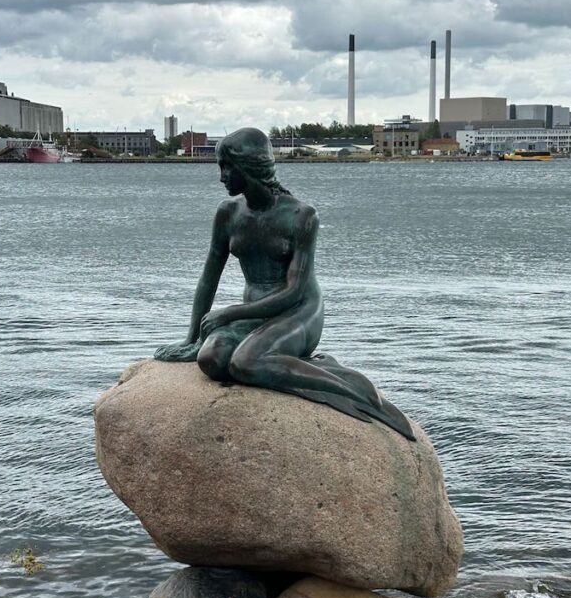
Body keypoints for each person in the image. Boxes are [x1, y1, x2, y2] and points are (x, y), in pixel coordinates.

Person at [154, 127, 414, 439]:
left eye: (227, 167)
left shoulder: (302, 216)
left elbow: (293, 292)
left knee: (245, 364)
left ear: (250, 166)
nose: (222, 176)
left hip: (298, 312)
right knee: (210, 359)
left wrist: (230, 314)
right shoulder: (228, 213)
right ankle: (294, 363)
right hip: (254, 314)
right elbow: (209, 276)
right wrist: (191, 338)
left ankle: (351, 388)